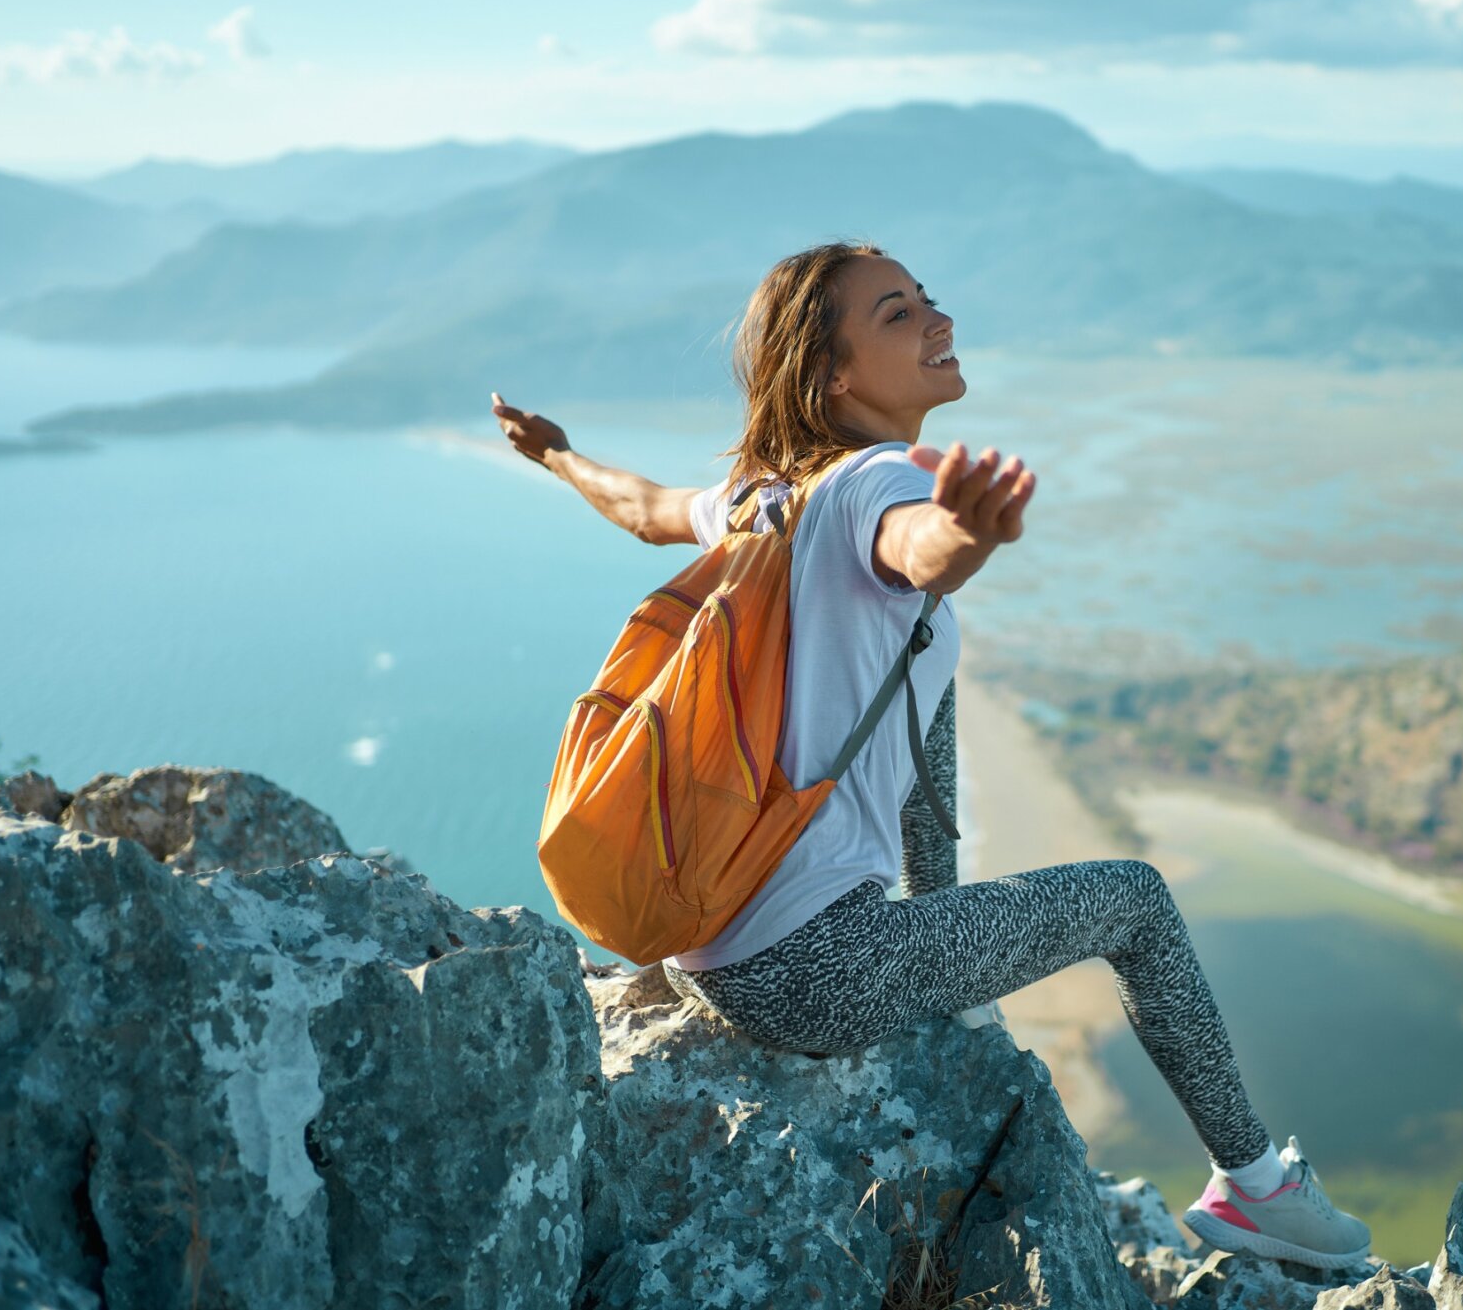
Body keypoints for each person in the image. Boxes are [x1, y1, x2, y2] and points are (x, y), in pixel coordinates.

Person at [490, 239, 1373, 1272]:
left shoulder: (765, 494)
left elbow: (642, 508)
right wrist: (962, 535)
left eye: (928, 300)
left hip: (713, 946)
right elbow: (913, 544)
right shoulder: (877, 481)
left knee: (922, 670)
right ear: (832, 373)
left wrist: (553, 453)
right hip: (809, 971)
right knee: (1134, 898)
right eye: (899, 315)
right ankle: (1254, 1189)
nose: (938, 323)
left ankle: (950, 969)